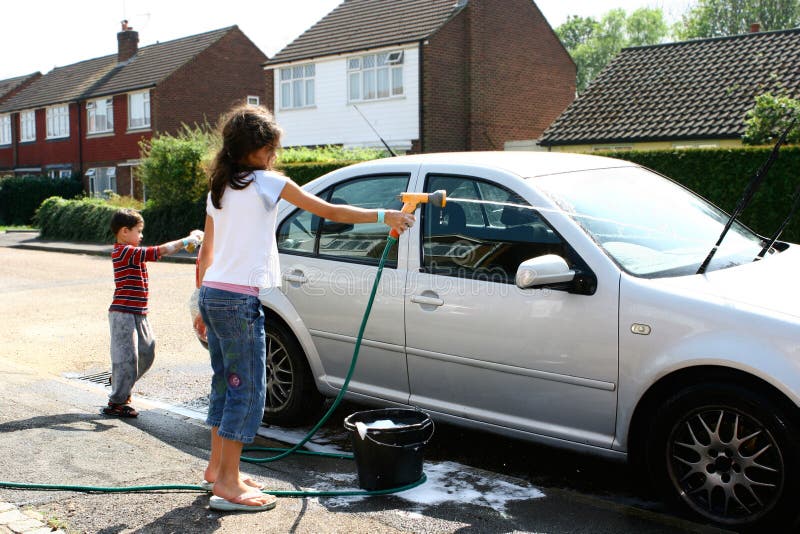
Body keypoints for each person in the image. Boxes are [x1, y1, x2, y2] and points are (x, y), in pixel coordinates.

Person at [196, 104, 415, 512]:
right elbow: (328, 211)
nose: (273, 156)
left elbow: (206, 252)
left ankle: (217, 468)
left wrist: (199, 303)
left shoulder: (220, 188)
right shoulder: (267, 183)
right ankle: (227, 483)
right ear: (257, 148)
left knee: (226, 385)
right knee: (248, 391)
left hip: (213, 295)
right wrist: (387, 216)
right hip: (239, 299)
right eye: (270, 149)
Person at [104, 208, 203, 418]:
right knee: (126, 357)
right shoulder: (123, 251)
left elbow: (162, 251)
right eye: (138, 231)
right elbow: (160, 251)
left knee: (148, 351)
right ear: (124, 232)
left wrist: (189, 242)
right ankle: (117, 401)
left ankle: (121, 382)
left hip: (139, 312)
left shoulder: (131, 251)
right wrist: (188, 239)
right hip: (122, 313)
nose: (141, 236)